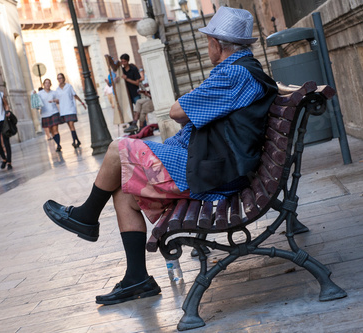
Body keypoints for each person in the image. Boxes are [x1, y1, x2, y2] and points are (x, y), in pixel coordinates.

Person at [43, 7, 278, 305]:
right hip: (213, 161)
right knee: (123, 188)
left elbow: (177, 111)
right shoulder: (241, 69)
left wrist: (190, 101)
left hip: (217, 173)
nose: (207, 46)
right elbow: (189, 113)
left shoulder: (234, 73)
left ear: (217, 44)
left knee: (119, 147)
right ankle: (137, 278)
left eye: (208, 41)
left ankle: (87, 216)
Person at [56, 73, 86, 148]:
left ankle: (74, 142)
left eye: (61, 78)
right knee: (70, 127)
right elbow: (58, 100)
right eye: (58, 78)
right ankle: (78, 141)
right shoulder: (57, 90)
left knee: (72, 125)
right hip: (63, 110)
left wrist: (82, 102)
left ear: (63, 78)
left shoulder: (69, 86)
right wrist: (54, 101)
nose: (60, 79)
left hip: (70, 108)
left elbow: (74, 95)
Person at [38, 78, 63, 152]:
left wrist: (55, 100)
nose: (47, 84)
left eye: (49, 83)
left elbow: (59, 101)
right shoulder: (40, 93)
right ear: (43, 84)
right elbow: (36, 102)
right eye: (46, 83)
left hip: (54, 112)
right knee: (51, 131)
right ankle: (57, 144)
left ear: (50, 84)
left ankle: (58, 145)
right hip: (45, 114)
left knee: (55, 130)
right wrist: (33, 94)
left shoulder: (54, 93)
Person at [118, 54, 141, 132]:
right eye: (122, 61)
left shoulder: (134, 69)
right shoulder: (122, 70)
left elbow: (137, 83)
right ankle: (132, 128)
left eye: (124, 61)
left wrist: (126, 79)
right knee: (128, 112)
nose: (123, 63)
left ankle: (142, 127)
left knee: (139, 110)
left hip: (135, 93)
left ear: (128, 61)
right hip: (127, 95)